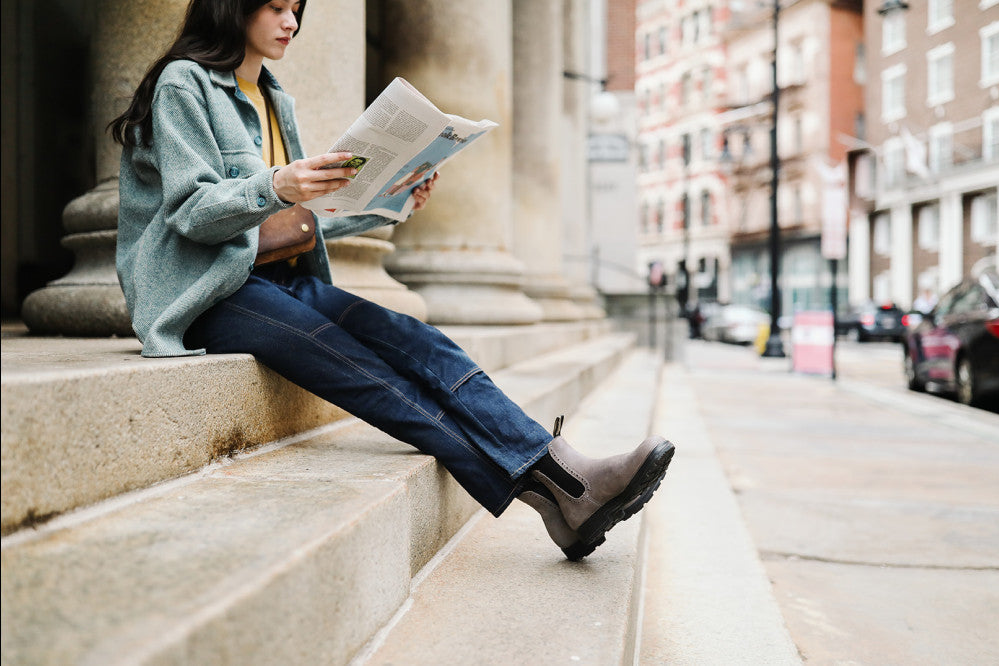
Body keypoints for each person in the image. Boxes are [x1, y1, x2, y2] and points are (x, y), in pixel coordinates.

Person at [110, 0, 674, 561]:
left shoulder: (275, 96)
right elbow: (192, 212)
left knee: (417, 339)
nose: (292, 22)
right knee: (368, 370)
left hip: (274, 276)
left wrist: (393, 200)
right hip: (205, 290)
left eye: (296, 7)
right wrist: (278, 184)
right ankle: (563, 493)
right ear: (231, 8)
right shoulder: (184, 85)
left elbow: (305, 215)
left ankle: (564, 485)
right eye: (276, 7)